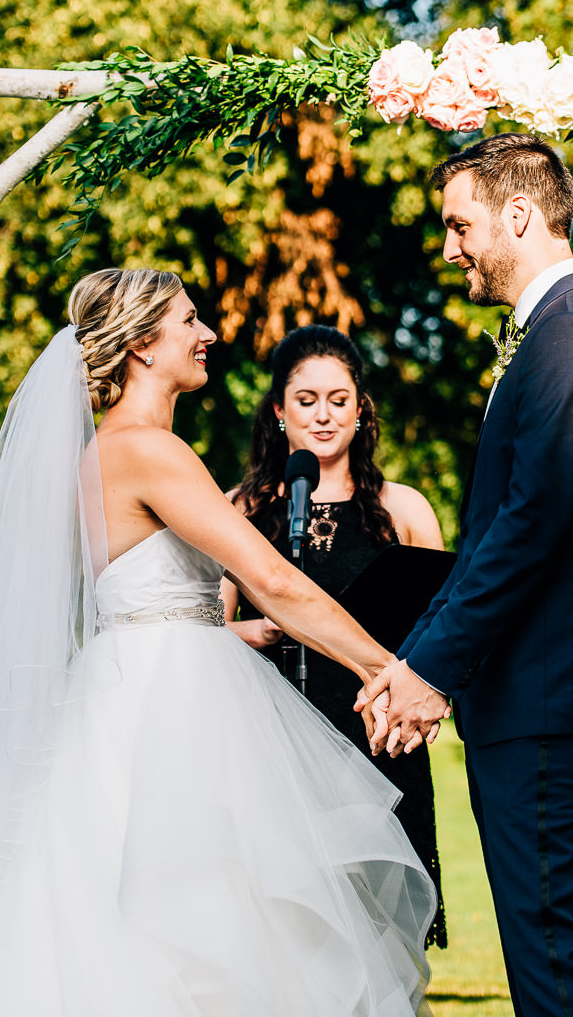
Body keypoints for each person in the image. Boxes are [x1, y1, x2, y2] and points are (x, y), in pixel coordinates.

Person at [0, 269, 436, 1017]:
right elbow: (272, 579)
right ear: (143, 344)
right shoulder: (146, 450)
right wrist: (390, 669)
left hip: (132, 687)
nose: (207, 335)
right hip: (169, 705)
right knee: (204, 918)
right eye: (188, 321)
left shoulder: (110, 450)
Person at [360, 135, 573, 1017]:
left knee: (558, 964)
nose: (450, 247)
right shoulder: (558, 336)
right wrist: (412, 658)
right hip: (546, 699)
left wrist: (430, 672)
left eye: (461, 225)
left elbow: (531, 531)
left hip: (554, 699)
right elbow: (499, 533)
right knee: (554, 957)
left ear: (521, 215)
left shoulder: (572, 337)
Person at [221, 325, 450, 947]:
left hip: (377, 736)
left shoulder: (403, 508)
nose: (323, 416)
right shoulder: (239, 509)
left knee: (385, 934)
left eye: (338, 399)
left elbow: (443, 626)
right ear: (279, 411)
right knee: (288, 936)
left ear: (360, 409)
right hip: (274, 741)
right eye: (306, 400)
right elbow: (204, 629)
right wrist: (261, 629)